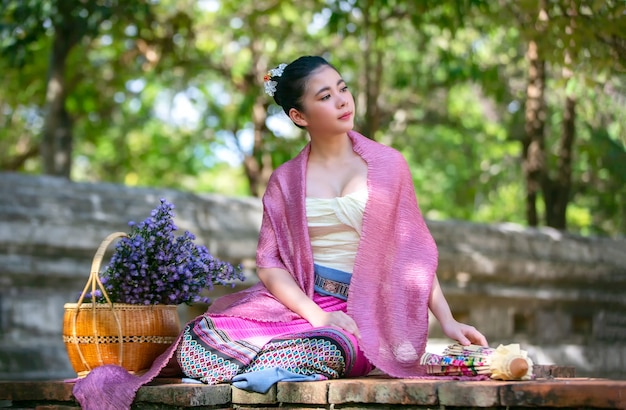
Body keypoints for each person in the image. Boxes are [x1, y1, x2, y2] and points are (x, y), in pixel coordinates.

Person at [72, 55, 487, 409]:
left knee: (328, 347)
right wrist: (318, 313)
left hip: (363, 316)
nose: (342, 100)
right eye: (325, 96)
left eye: (342, 88)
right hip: (300, 307)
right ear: (299, 116)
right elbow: (270, 266)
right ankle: (268, 363)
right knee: (201, 335)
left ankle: (259, 364)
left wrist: (448, 321)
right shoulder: (286, 181)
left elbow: (412, 254)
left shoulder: (389, 166)